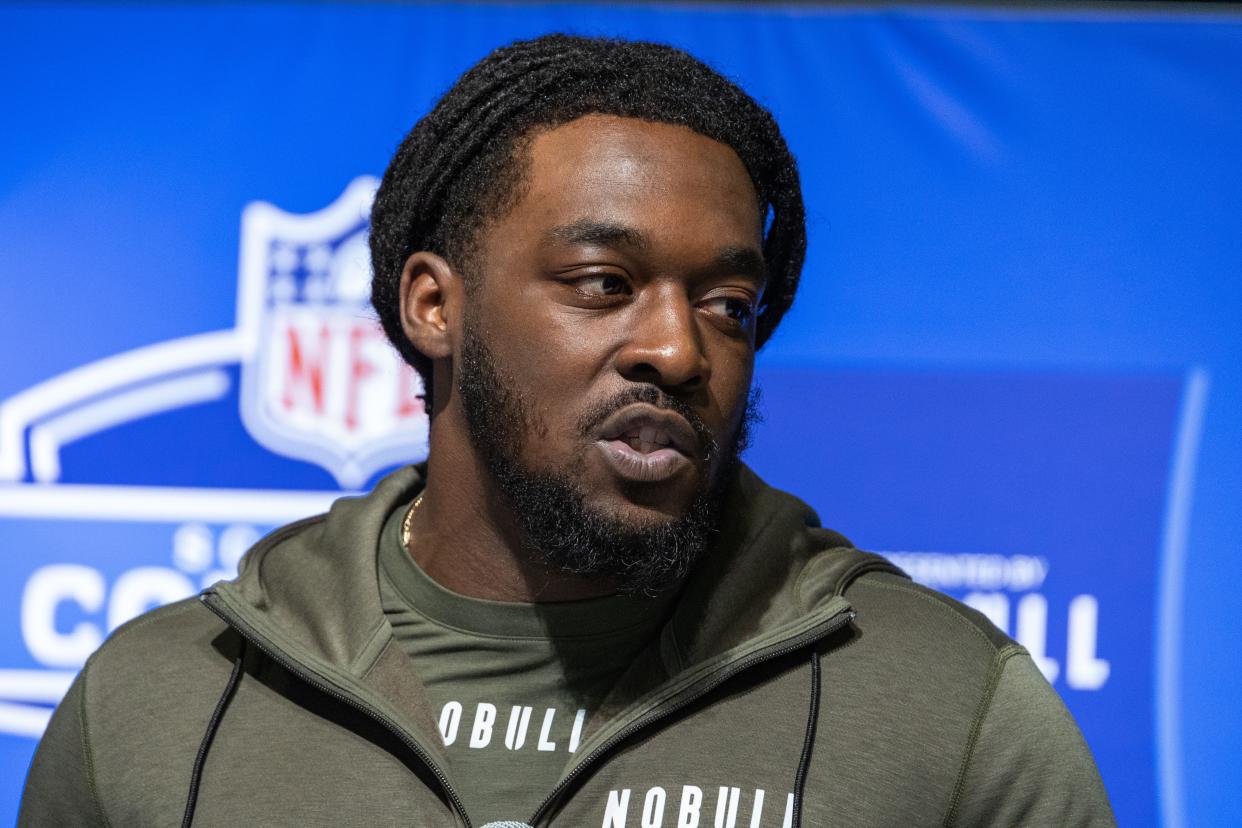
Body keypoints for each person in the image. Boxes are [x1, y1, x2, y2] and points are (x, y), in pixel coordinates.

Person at [19, 34, 1115, 827]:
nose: (680, 352)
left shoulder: (947, 710)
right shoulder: (162, 702)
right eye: (604, 283)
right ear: (433, 307)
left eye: (729, 305)